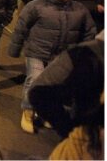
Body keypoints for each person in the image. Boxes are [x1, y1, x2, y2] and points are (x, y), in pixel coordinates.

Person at [8, 0, 96, 133]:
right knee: (34, 80)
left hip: (62, 54)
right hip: (37, 51)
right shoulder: (35, 6)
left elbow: (89, 32)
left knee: (55, 85)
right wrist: (15, 49)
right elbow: (21, 28)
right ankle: (28, 113)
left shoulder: (79, 9)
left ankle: (44, 112)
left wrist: (84, 53)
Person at [29, 31, 103, 159]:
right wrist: (71, 131)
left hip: (85, 142)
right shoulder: (90, 54)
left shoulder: (90, 52)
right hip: (86, 141)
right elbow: (39, 93)